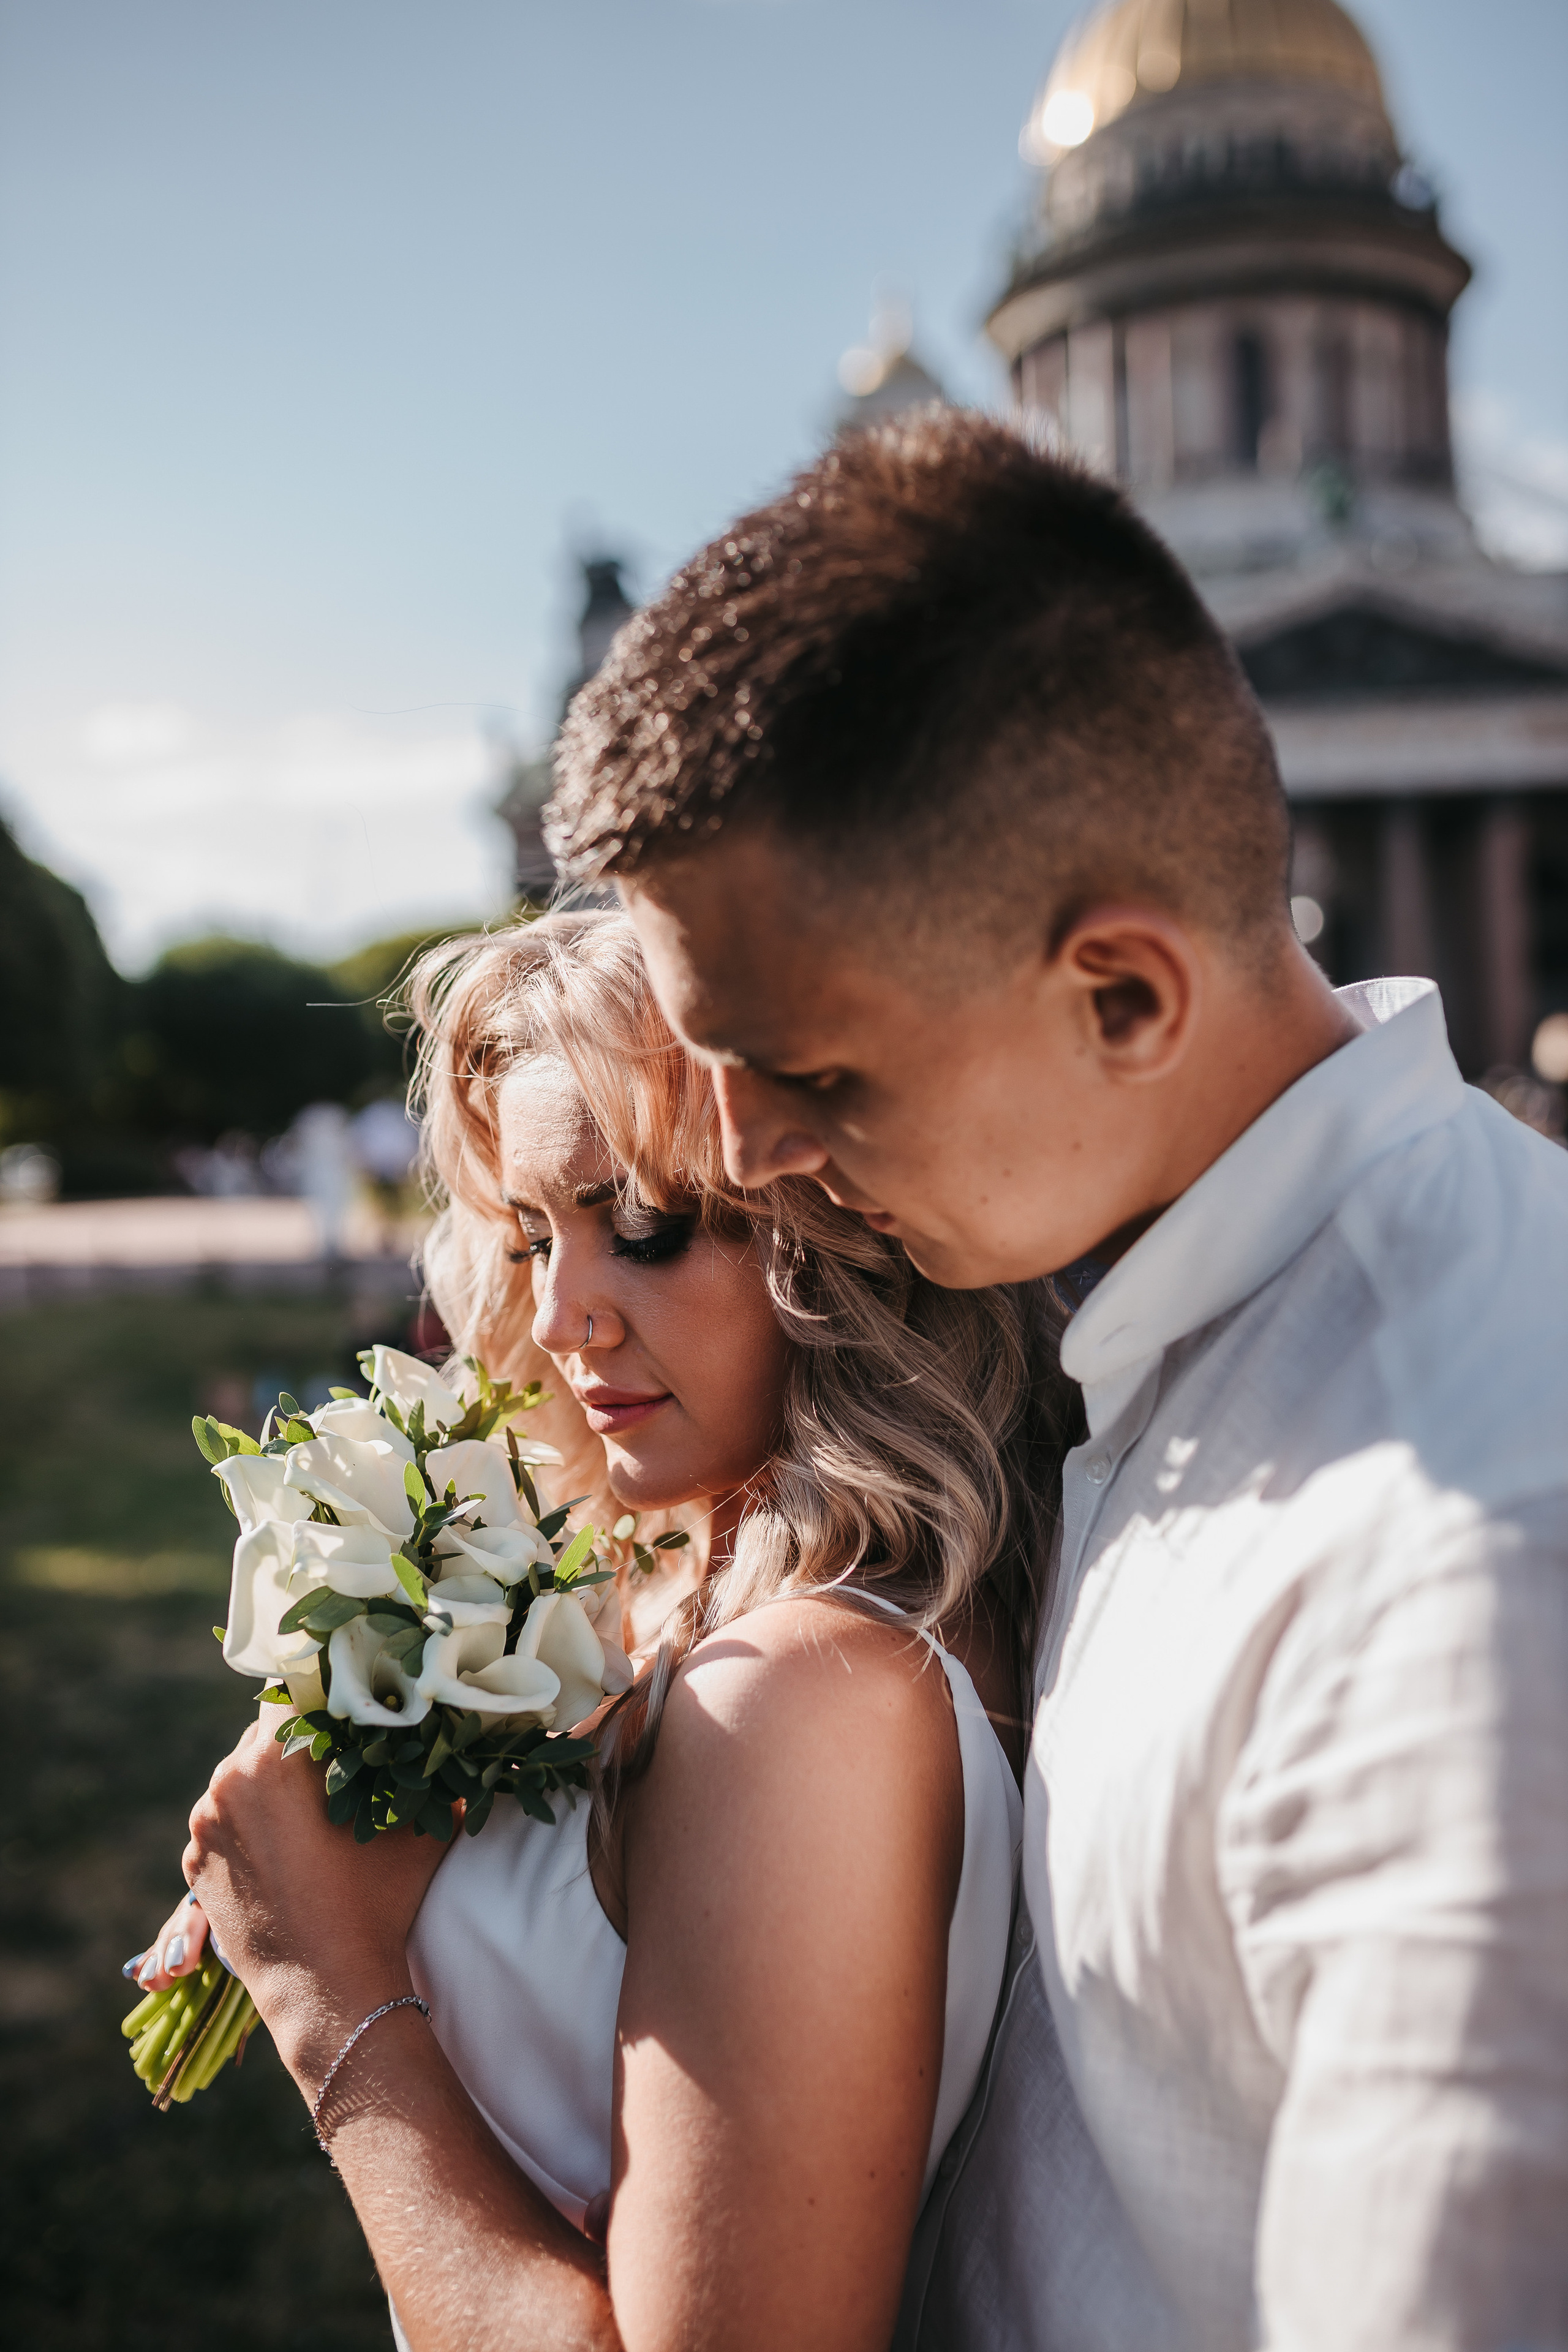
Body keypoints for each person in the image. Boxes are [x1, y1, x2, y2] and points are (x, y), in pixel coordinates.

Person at [543, 409, 1568, 2351]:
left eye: (817, 1076)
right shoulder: (1135, 1300)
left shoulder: (1479, 1575)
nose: (744, 1160)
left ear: (1123, 995)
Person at [144, 907, 1074, 2351]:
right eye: (528, 1235)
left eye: (644, 1228)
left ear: (835, 1229)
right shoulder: (655, 1580)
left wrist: (325, 1987)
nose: (562, 1314)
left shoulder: (799, 1697)